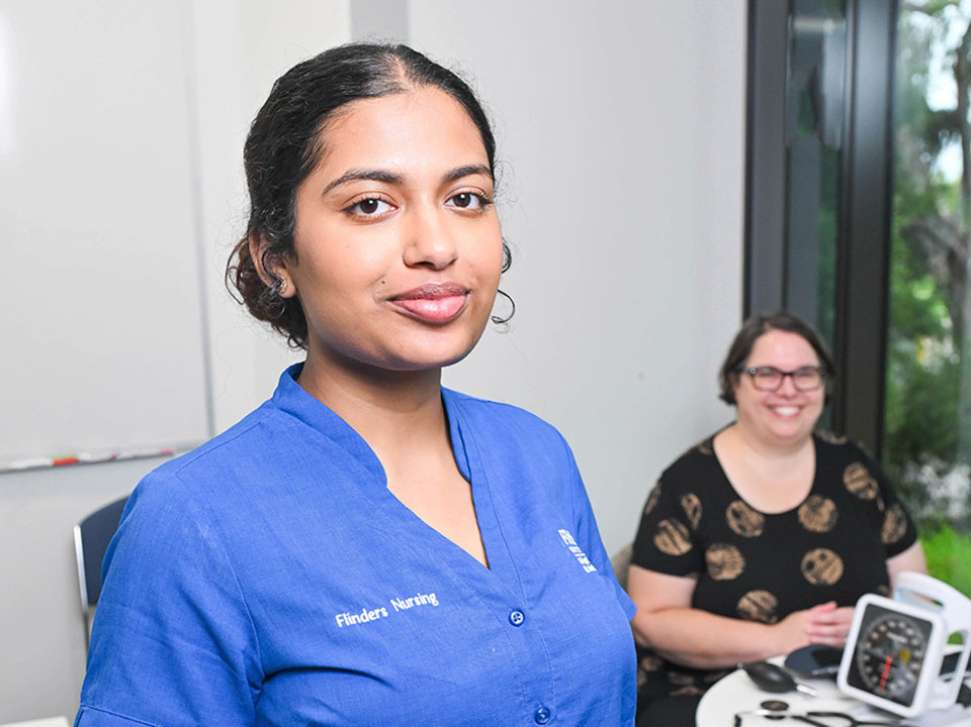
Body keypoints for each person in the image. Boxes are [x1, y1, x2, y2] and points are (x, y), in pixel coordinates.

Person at [75, 44, 636, 726]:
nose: (435, 245)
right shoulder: (193, 521)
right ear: (275, 256)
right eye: (371, 204)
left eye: (466, 198)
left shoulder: (535, 453)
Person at [627, 311, 927, 726]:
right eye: (766, 373)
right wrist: (774, 639)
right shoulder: (687, 485)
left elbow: (919, 592)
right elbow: (649, 619)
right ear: (735, 382)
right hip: (708, 694)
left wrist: (874, 625)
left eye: (805, 374)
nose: (788, 390)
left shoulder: (856, 471)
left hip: (853, 693)